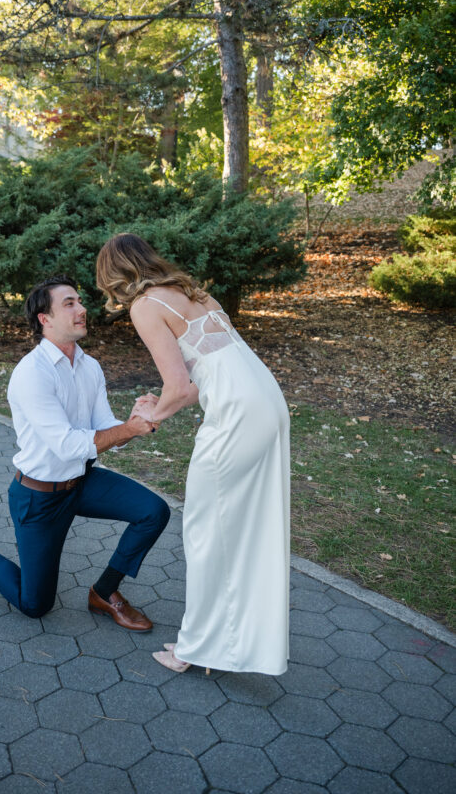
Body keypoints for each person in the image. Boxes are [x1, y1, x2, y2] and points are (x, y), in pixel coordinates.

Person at [96, 234, 290, 674]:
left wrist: (145, 418)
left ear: (115, 275)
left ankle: (195, 648)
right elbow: (202, 375)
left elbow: (180, 389)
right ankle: (228, 642)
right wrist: (159, 405)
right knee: (242, 528)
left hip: (239, 414)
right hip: (266, 401)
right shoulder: (192, 292)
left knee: (208, 533)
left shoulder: (145, 306)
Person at [0, 274, 170, 630]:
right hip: (39, 496)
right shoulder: (31, 374)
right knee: (35, 604)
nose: (82, 309)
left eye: (80, 301)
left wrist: (137, 421)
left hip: (80, 482)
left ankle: (104, 592)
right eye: (69, 303)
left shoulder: (89, 366)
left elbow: (102, 428)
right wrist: (126, 430)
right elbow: (67, 445)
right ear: (44, 319)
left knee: (153, 512)